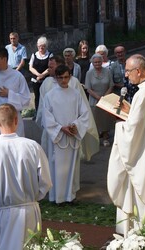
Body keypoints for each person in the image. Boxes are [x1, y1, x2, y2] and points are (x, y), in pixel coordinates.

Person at [0, 103, 52, 250]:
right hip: (29, 211)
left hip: (3, 212)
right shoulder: (33, 146)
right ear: (17, 120)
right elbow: (45, 181)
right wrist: (33, 198)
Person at [107, 54, 145, 237]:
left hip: (142, 155)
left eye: (128, 70)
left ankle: (139, 232)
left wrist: (119, 126)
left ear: (138, 71)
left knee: (138, 189)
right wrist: (130, 111)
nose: (126, 75)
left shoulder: (143, 93)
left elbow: (133, 131)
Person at [36, 56, 99, 161]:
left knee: (71, 163)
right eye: (48, 67)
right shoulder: (46, 83)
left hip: (71, 130)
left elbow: (82, 108)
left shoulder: (73, 82)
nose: (48, 70)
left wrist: (75, 125)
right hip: (53, 131)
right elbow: (43, 109)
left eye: (51, 67)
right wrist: (55, 127)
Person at [42, 65, 89, 204]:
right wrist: (60, 128)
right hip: (58, 137)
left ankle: (70, 196)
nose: (64, 80)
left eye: (66, 77)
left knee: (71, 167)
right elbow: (47, 117)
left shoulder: (76, 94)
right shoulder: (50, 96)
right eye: (61, 77)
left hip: (72, 135)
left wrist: (75, 125)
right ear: (55, 78)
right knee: (56, 166)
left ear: (70, 77)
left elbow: (84, 114)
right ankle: (57, 197)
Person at [85, 53, 114, 147]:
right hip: (94, 100)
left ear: (102, 62)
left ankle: (105, 138)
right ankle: (95, 139)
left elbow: (111, 85)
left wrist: (104, 97)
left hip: (106, 99)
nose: (97, 64)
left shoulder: (108, 71)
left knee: (105, 119)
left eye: (99, 62)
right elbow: (88, 88)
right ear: (92, 63)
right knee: (95, 120)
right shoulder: (89, 73)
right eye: (95, 62)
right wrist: (98, 97)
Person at [29, 36, 53, 115]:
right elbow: (30, 67)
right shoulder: (34, 55)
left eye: (42, 46)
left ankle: (47, 113)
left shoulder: (50, 55)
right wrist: (38, 75)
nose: (41, 48)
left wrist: (42, 75)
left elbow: (50, 67)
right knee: (37, 97)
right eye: (39, 46)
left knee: (46, 97)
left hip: (46, 80)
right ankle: (37, 113)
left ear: (46, 46)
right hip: (35, 80)